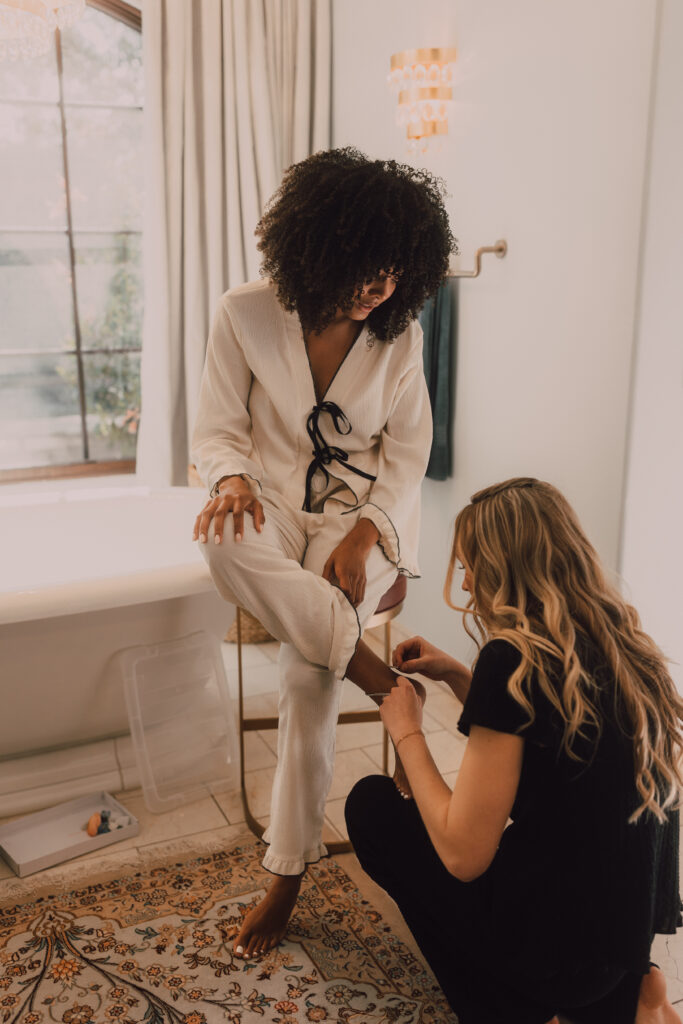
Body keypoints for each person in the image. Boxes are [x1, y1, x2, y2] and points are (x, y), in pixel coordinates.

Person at [191, 148, 455, 960]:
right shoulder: (244, 312)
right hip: (268, 506)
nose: (378, 286)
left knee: (307, 678)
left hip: (357, 522)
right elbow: (215, 428)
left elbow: (408, 455)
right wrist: (230, 479)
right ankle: (378, 679)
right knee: (220, 540)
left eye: (393, 270)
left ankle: (287, 876)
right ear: (315, 247)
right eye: (362, 265)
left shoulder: (398, 337)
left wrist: (367, 532)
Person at [345, 477, 683, 1024]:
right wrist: (460, 676)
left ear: (503, 567)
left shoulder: (511, 658)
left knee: (372, 808)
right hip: (621, 945)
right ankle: (635, 1000)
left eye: (470, 565)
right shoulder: (619, 637)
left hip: (557, 959)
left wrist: (407, 730)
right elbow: (546, 744)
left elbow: (462, 853)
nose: (468, 580)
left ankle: (518, 1011)